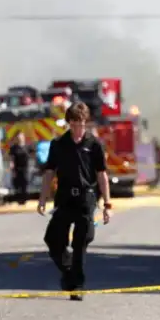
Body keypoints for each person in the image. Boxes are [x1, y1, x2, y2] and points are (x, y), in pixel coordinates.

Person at [37, 102, 112, 301]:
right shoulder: (59, 144)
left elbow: (102, 175)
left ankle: (77, 286)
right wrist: (43, 198)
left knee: (82, 242)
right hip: (65, 198)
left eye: (81, 124)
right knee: (53, 239)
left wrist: (107, 205)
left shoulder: (94, 144)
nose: (78, 128)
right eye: (74, 124)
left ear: (85, 123)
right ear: (68, 123)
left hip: (86, 199)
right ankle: (69, 272)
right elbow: (49, 173)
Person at [9, 132, 31, 205]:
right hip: (17, 169)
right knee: (17, 185)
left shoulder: (27, 146)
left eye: (21, 137)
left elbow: (32, 155)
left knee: (25, 184)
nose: (19, 139)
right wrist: (12, 166)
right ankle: (19, 200)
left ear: (23, 138)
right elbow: (12, 158)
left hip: (25, 169)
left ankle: (24, 200)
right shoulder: (13, 148)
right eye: (18, 137)